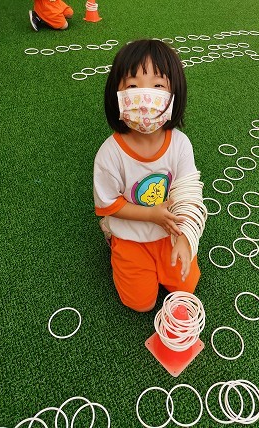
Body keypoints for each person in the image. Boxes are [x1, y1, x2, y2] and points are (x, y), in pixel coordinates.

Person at [93, 39, 202, 312]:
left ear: (174, 93)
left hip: (168, 232)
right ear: (116, 94)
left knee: (186, 288)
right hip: (130, 234)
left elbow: (188, 193)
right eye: (132, 86)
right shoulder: (109, 153)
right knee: (141, 304)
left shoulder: (180, 143)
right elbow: (110, 204)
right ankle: (111, 236)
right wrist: (151, 214)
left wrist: (185, 238)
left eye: (158, 86)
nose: (145, 96)